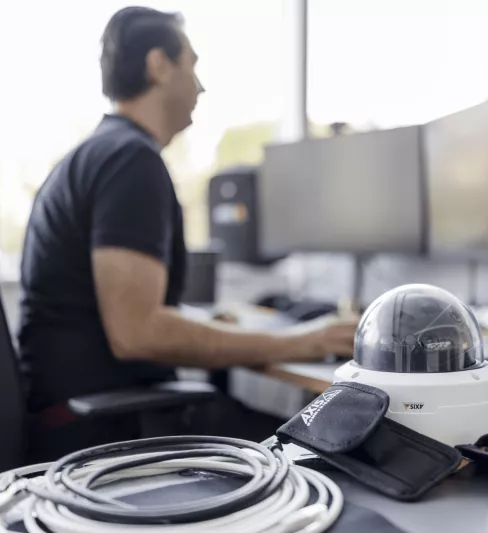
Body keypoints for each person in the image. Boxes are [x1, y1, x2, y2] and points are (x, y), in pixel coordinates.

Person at [18, 6, 356, 460]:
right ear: (159, 65)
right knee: (331, 447)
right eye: (192, 65)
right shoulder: (130, 161)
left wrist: (200, 327)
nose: (200, 86)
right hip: (102, 430)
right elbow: (137, 333)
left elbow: (125, 318)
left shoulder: (98, 153)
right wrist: (303, 340)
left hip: (76, 416)